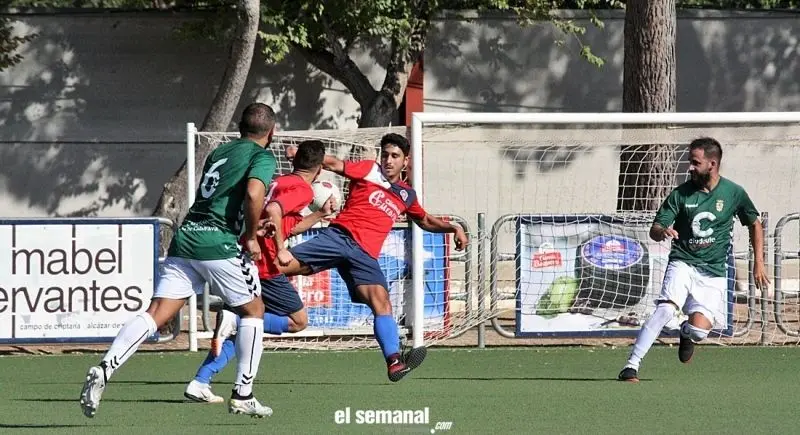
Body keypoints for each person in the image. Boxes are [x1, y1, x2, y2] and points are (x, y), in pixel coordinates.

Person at [80, 103, 279, 418]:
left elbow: (221, 198)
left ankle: (105, 368)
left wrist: (249, 226)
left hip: (187, 237)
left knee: (156, 312)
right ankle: (243, 394)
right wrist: (252, 236)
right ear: (272, 131)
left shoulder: (220, 152)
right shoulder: (262, 156)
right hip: (217, 243)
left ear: (240, 128)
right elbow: (254, 194)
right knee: (253, 311)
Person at [218, 132, 468, 382]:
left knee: (382, 303)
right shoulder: (370, 170)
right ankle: (239, 305)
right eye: (385, 155)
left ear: (406, 161)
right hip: (339, 238)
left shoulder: (406, 195)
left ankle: (394, 361)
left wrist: (453, 228)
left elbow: (425, 220)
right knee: (274, 267)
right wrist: (302, 155)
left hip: (364, 256)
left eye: (395, 156)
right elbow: (334, 163)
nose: (388, 160)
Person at [184, 140, 335, 403]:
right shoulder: (303, 189)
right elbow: (274, 211)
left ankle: (200, 381)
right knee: (298, 321)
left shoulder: (280, 181)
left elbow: (286, 224)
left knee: (246, 327)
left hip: (246, 257)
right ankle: (233, 321)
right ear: (320, 169)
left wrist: (319, 215)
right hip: (265, 265)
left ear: (295, 161)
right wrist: (281, 249)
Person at [618, 137, 770, 383]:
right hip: (683, 262)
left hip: (713, 271)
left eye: (695, 162)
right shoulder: (680, 194)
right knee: (665, 310)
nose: (690, 167)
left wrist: (759, 262)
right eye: (690, 161)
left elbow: (755, 223)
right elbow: (655, 229)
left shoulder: (733, 193)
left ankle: (686, 332)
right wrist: (662, 231)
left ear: (712, 164)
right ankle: (631, 365)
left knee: (699, 331)